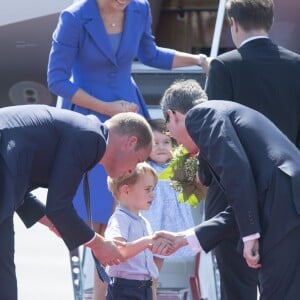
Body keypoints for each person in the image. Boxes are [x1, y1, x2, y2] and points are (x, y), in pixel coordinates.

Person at [47, 1, 208, 296]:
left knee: (137, 209)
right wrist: (106, 108)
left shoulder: (139, 8)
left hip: (132, 121)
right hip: (89, 120)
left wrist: (197, 59)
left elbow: (150, 54)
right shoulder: (73, 17)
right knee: (99, 221)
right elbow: (56, 79)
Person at [156, 79, 300, 299]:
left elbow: (235, 170)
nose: (172, 136)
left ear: (174, 114)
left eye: (169, 127)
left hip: (284, 204)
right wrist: (184, 238)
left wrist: (250, 236)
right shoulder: (221, 114)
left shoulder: (200, 114)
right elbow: (241, 204)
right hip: (287, 205)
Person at [0, 104, 154, 300]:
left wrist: (55, 224)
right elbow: (59, 207)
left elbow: (19, 190)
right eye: (138, 160)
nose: (133, 170)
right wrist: (99, 244)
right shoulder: (90, 137)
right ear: (131, 142)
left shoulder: (85, 132)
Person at [204, 1, 300, 298]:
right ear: (270, 20)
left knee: (236, 289)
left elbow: (213, 136)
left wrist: (201, 178)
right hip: (287, 197)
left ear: (233, 23)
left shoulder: (223, 65)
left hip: (231, 196)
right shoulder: (297, 66)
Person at [105, 162, 169, 300]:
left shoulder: (144, 222)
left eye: (153, 189)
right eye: (148, 189)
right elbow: (118, 251)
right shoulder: (119, 219)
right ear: (126, 190)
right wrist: (147, 241)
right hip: (124, 289)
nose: (153, 195)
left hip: (144, 288)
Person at [141, 119, 195, 261]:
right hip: (151, 219)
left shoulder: (179, 165)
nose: (161, 147)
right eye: (155, 143)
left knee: (159, 257)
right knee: (145, 257)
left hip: (170, 221)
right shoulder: (143, 167)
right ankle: (146, 283)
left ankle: (153, 283)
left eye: (166, 142)